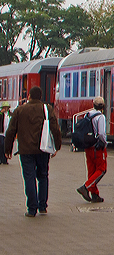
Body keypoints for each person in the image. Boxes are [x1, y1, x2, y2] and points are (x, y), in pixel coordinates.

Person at [4, 86, 62, 216]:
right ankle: (42, 206)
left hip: (25, 150)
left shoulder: (20, 110)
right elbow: (55, 128)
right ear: (40, 96)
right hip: (43, 149)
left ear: (29, 96)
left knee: (29, 177)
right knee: (43, 176)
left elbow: (11, 131)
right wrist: (57, 146)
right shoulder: (47, 109)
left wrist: (7, 149)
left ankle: (31, 208)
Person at [77, 96, 107, 203]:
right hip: (97, 148)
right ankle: (85, 187)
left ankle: (95, 194)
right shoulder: (101, 117)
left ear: (93, 105)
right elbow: (102, 134)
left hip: (88, 147)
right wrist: (104, 143)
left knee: (91, 170)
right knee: (101, 169)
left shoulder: (88, 114)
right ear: (103, 106)